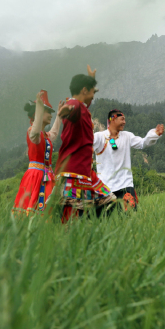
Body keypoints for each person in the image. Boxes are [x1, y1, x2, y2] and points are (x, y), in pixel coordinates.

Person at [56, 65, 116, 222]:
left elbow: (82, 101)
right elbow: (72, 107)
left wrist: (92, 81)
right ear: (84, 90)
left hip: (84, 170)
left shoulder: (82, 107)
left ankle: (92, 234)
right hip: (75, 171)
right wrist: (65, 110)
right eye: (91, 91)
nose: (94, 95)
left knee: (106, 201)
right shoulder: (75, 105)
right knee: (76, 212)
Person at [93, 109, 164, 211]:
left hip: (125, 184)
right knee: (106, 218)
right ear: (112, 119)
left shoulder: (127, 136)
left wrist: (155, 134)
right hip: (105, 186)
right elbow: (85, 144)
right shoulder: (100, 137)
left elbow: (143, 143)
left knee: (130, 215)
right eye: (122, 119)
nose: (124, 122)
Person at [12, 90, 63, 215]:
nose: (51, 115)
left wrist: (59, 116)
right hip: (35, 176)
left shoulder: (45, 135)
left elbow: (55, 133)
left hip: (47, 176)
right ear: (38, 114)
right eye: (48, 112)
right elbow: (35, 130)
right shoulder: (32, 133)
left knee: (50, 207)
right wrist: (39, 107)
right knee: (35, 206)